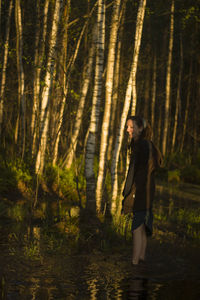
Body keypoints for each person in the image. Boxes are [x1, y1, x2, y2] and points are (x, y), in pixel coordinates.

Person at [122, 116, 162, 265]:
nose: (128, 130)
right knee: (142, 227)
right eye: (127, 127)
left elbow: (132, 172)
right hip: (148, 191)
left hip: (140, 192)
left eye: (131, 127)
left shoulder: (141, 146)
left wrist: (126, 193)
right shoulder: (150, 145)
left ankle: (134, 263)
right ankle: (142, 258)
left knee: (136, 229)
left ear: (140, 129)